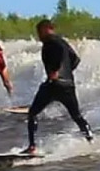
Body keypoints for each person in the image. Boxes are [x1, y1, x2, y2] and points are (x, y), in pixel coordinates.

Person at [23, 19, 93, 155]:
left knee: (32, 113)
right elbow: (75, 59)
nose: (38, 36)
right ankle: (91, 142)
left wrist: (56, 71)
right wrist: (66, 73)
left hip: (53, 85)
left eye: (39, 32)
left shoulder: (51, 41)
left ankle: (32, 147)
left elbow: (60, 52)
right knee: (77, 116)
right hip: (68, 85)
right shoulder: (62, 41)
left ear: (45, 29)